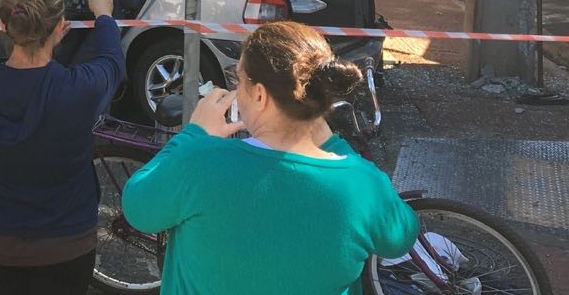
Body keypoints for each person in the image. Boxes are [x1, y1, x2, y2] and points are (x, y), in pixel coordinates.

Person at [122, 21, 419, 295]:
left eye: (240, 80)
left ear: (260, 95)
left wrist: (195, 133)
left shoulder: (199, 161)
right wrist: (333, 143)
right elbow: (400, 237)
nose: (237, 92)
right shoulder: (363, 183)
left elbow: (138, 207)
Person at [0, 0, 123, 294]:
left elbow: (19, 81)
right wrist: (104, 15)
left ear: (4, 24)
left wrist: (45, 40)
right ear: (59, 27)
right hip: (65, 246)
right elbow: (112, 62)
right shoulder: (78, 90)